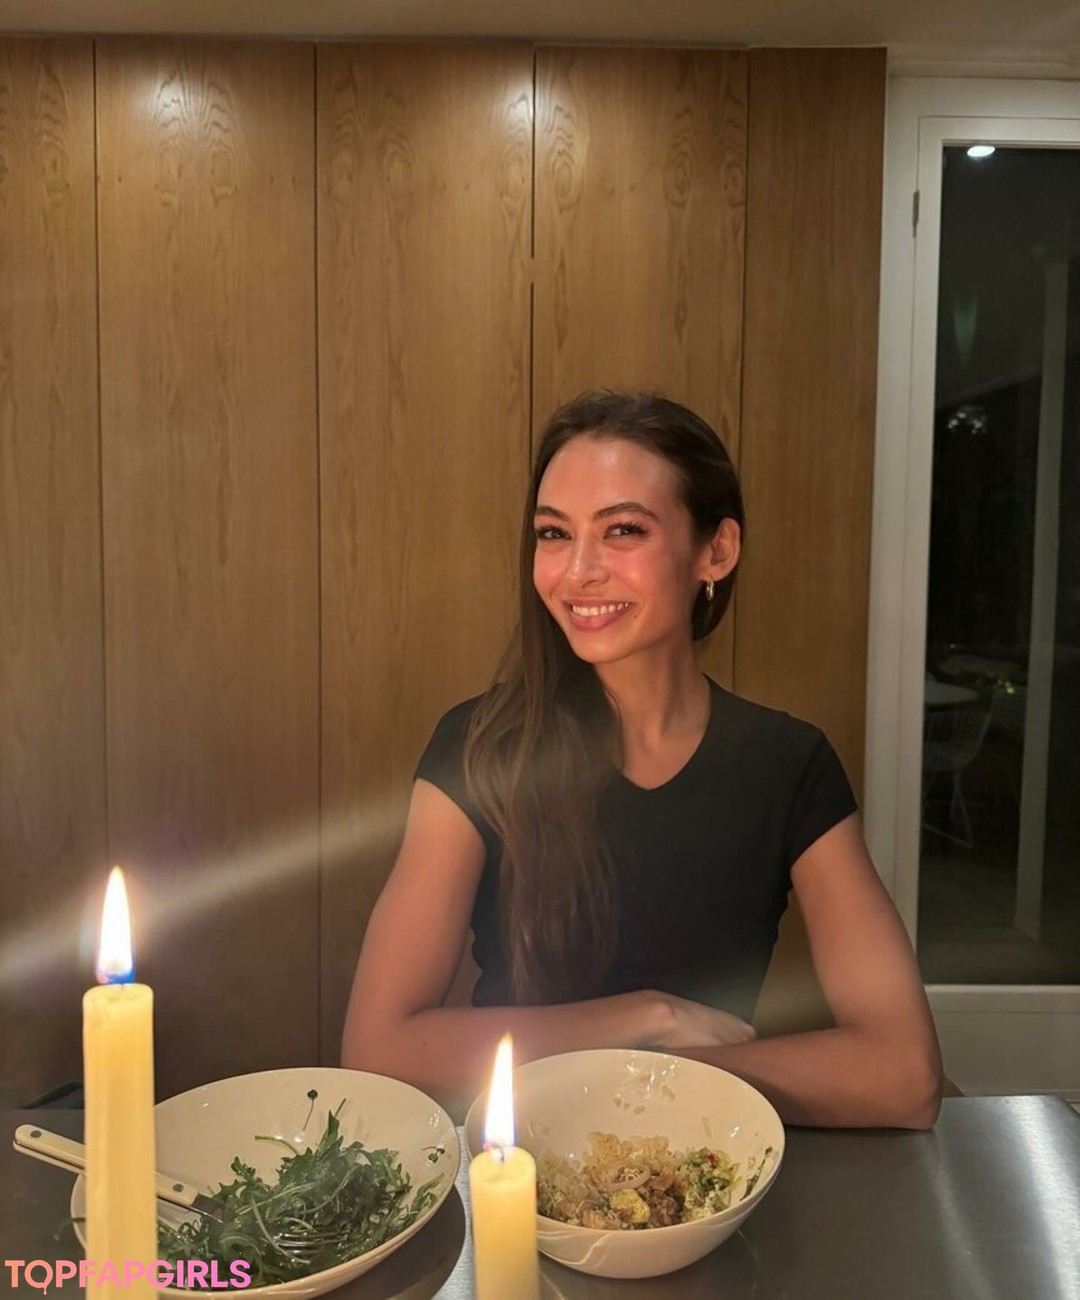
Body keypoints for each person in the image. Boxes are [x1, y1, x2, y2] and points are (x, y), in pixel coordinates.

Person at [342, 390, 943, 1128]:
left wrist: (667, 1072)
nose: (577, 572)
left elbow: (905, 1074)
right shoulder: (479, 747)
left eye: (623, 530)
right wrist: (647, 1017)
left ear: (715, 551)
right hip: (517, 1161)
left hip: (706, 1160)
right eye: (554, 533)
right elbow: (378, 1048)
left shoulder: (788, 763)